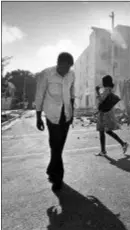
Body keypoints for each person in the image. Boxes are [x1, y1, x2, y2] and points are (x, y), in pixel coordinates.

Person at [35, 52, 75, 191]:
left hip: (66, 115)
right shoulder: (46, 74)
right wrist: (38, 116)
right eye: (64, 67)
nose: (66, 71)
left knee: (58, 146)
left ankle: (51, 170)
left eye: (69, 67)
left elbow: (72, 94)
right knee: (55, 145)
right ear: (58, 64)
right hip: (52, 114)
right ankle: (58, 178)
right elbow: (39, 95)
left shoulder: (71, 74)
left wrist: (72, 115)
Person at [95, 75, 129, 156]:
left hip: (104, 113)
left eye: (103, 81)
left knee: (105, 130)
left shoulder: (107, 90)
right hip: (105, 113)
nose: (102, 83)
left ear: (105, 82)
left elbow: (101, 100)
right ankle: (104, 150)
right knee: (103, 131)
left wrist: (97, 91)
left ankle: (123, 144)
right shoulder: (109, 90)